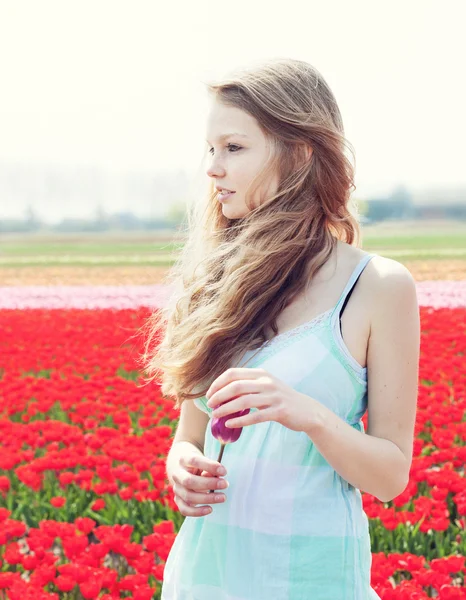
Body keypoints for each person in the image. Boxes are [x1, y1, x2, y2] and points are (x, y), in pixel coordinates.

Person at [142, 58, 420, 600]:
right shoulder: (214, 282)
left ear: (299, 154)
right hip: (204, 578)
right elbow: (189, 437)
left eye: (234, 147)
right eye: (211, 150)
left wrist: (308, 414)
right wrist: (182, 469)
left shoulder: (376, 286)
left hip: (311, 580)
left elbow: (390, 477)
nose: (213, 169)